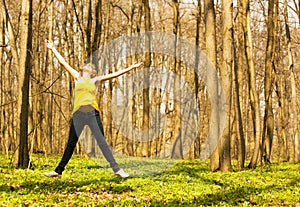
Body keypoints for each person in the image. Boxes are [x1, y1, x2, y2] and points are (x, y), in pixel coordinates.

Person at [43, 39, 143, 178]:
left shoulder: (95, 81)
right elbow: (63, 63)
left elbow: (114, 74)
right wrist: (52, 48)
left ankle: (117, 169)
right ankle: (58, 171)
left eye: (91, 69)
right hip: (78, 114)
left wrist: (131, 68)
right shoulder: (77, 77)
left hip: (92, 114)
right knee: (71, 143)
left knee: (101, 142)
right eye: (86, 67)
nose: (88, 69)